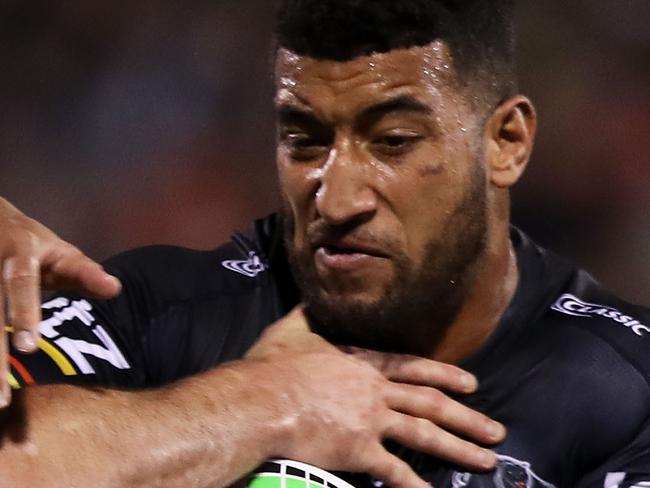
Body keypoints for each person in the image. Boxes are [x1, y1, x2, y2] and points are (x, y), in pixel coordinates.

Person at [0, 1, 649, 487]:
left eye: (393, 141)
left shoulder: (628, 393)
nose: (336, 201)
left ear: (506, 141)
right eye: (304, 139)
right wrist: (260, 404)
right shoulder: (154, 310)